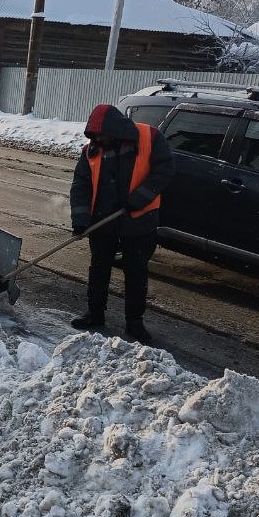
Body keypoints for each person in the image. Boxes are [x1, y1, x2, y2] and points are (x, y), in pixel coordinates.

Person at [68, 103, 174, 345]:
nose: (98, 140)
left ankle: (135, 323)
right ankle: (95, 314)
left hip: (139, 220)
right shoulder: (91, 150)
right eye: (94, 136)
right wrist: (81, 220)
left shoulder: (150, 137)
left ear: (115, 130)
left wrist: (138, 199)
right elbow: (81, 186)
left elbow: (164, 171)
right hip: (102, 220)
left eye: (102, 135)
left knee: (136, 272)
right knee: (99, 268)